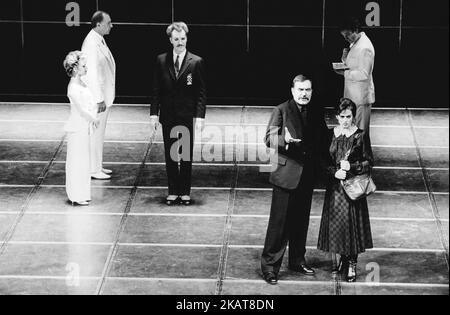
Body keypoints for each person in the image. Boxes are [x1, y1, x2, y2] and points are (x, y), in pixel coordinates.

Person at [261, 75, 329, 285]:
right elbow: (268, 138)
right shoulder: (281, 110)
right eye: (300, 90)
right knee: (279, 225)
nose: (304, 94)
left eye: (308, 90)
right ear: (292, 90)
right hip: (286, 176)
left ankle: (297, 260)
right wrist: (285, 141)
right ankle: (270, 267)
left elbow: (323, 140)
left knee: (301, 221)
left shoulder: (316, 111)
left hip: (307, 176)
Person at [150, 22, 207, 206]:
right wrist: (153, 113)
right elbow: (156, 89)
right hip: (168, 115)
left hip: (186, 115)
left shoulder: (196, 62)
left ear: (187, 38)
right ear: (170, 40)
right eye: (176, 39)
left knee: (185, 155)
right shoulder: (161, 60)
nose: (180, 42)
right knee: (171, 154)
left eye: (183, 38)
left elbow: (200, 92)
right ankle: (173, 191)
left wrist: (200, 116)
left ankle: (185, 191)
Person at [317, 98, 374, 282]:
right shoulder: (329, 134)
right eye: (342, 116)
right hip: (335, 188)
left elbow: (369, 162)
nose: (346, 120)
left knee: (352, 227)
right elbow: (322, 161)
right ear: (337, 116)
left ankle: (351, 264)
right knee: (339, 226)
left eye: (349, 116)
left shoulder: (360, 135)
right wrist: (334, 173)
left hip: (353, 189)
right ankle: (343, 257)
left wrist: (352, 166)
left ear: (353, 116)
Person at [81, 11, 116, 180]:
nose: (111, 25)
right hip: (98, 98)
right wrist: (99, 98)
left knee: (99, 133)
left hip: (103, 95)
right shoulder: (91, 43)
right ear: (98, 24)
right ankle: (93, 169)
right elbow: (91, 74)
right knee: (95, 133)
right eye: (108, 22)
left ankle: (97, 165)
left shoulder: (98, 39)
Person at [63, 51, 100, 206]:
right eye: (84, 66)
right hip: (78, 127)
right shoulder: (73, 88)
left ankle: (82, 193)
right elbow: (81, 110)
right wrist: (93, 118)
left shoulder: (82, 84)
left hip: (84, 127)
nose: (86, 68)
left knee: (84, 161)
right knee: (77, 161)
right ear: (76, 68)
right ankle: (76, 194)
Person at [335, 17, 375, 140]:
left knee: (360, 134)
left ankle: (364, 158)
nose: (346, 38)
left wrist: (344, 73)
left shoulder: (365, 47)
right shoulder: (357, 43)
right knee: (354, 133)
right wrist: (344, 59)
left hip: (360, 98)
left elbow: (364, 74)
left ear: (356, 30)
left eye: (348, 35)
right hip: (354, 97)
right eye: (344, 36)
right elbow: (355, 64)